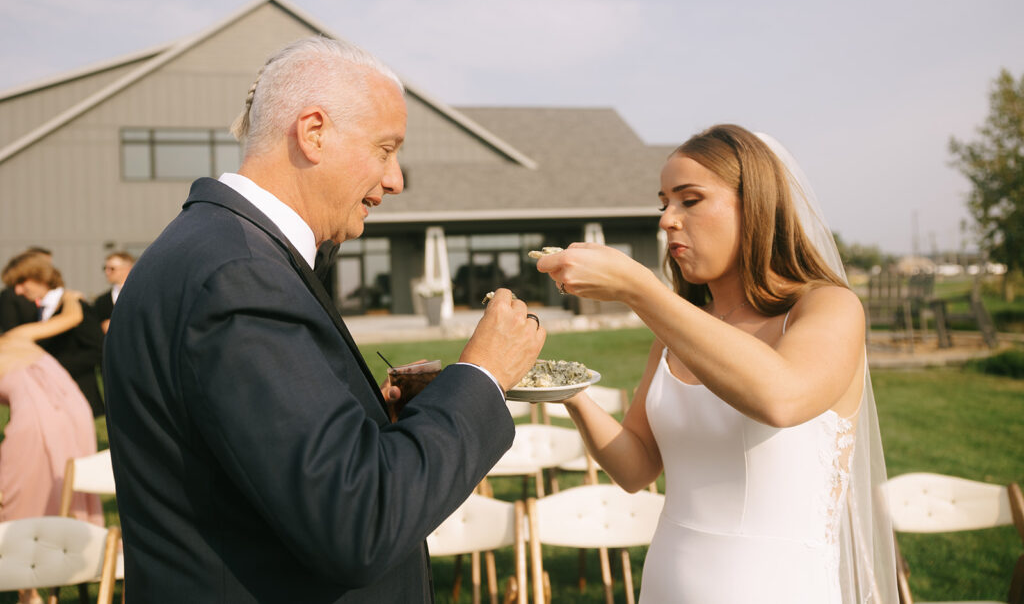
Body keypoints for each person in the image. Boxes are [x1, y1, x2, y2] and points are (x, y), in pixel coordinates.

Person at [102, 35, 546, 603]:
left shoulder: (217, 250)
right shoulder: (238, 276)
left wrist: (378, 419)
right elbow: (358, 523)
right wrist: (482, 376)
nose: (396, 180)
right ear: (314, 133)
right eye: (385, 150)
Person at [536, 124, 897, 603]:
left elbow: (781, 398)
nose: (667, 220)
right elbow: (636, 469)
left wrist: (638, 288)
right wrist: (566, 390)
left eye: (689, 200)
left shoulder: (828, 308)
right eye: (663, 202)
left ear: (758, 205)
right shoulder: (677, 335)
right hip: (666, 583)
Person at [0, 291, 104, 604]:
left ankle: (26, 591)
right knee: (69, 483)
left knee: (17, 492)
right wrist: (72, 297)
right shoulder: (18, 335)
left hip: (33, 420)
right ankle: (79, 556)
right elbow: (71, 317)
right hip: (75, 409)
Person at [1, 251, 106, 418]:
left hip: (77, 396)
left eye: (21, 282)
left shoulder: (77, 307)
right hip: (53, 400)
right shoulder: (40, 309)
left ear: (39, 277)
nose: (18, 291)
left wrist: (53, 367)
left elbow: (99, 349)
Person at [93, 250, 134, 332]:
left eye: (112, 269)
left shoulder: (140, 296)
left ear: (128, 269)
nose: (107, 272)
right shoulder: (101, 301)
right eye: (105, 268)